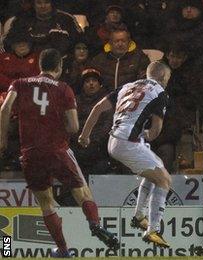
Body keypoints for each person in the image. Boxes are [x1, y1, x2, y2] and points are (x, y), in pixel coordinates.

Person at [0, 49, 119, 257]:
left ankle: (63, 250)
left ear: (39, 66)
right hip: (57, 149)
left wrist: (2, 139)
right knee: (82, 193)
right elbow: (73, 127)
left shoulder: (19, 84)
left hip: (30, 152)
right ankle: (95, 224)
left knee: (46, 203)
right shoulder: (64, 89)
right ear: (59, 68)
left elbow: (4, 109)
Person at [78, 61, 172, 248]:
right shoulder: (160, 93)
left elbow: (97, 108)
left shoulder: (127, 86)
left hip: (114, 139)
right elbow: (155, 131)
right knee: (164, 180)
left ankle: (138, 216)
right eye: (168, 78)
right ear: (163, 78)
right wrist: (146, 134)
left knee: (156, 168)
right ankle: (152, 229)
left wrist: (84, 135)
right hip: (128, 142)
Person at [3, 0, 82, 56]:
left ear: (52, 3)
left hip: (61, 64)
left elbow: (81, 42)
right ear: (33, 4)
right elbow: (5, 42)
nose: (43, 6)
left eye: (46, 2)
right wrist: (14, 47)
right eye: (39, 3)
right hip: (28, 66)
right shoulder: (22, 19)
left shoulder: (66, 19)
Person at [88, 24, 150, 90]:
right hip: (105, 98)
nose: (120, 44)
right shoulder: (99, 60)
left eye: (123, 41)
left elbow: (145, 84)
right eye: (116, 41)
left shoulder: (140, 59)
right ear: (110, 43)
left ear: (129, 43)